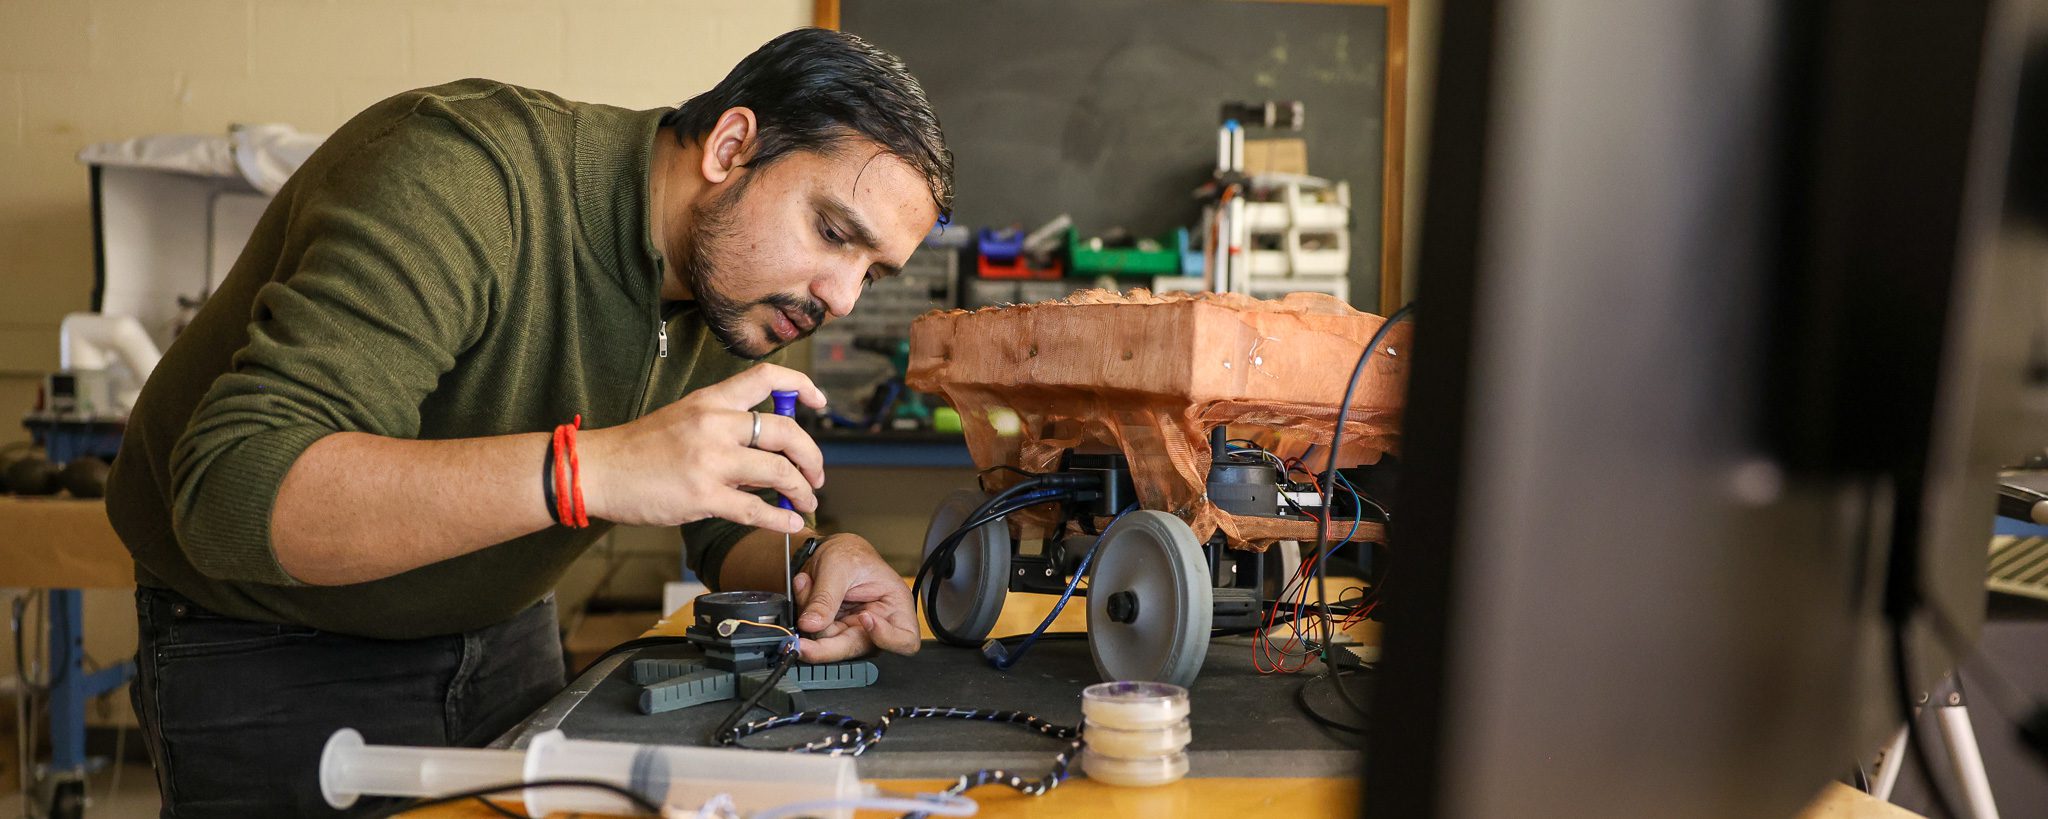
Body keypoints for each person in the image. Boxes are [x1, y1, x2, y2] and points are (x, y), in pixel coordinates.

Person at [102, 28, 951, 816]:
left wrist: (809, 564)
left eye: (872, 272)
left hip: (504, 640)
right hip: (269, 651)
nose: (840, 297)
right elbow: (234, 495)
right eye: (835, 233)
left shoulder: (748, 291)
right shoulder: (462, 174)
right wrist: (593, 471)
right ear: (731, 148)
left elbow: (715, 511)